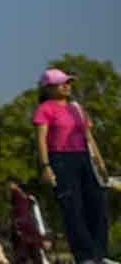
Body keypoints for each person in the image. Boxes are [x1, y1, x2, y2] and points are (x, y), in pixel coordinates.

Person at [32, 68, 113, 264]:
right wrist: (46, 166)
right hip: (61, 160)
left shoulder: (77, 108)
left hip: (85, 158)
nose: (67, 86)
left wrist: (99, 162)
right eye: (62, 83)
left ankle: (99, 255)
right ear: (48, 88)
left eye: (68, 82)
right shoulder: (45, 109)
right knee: (73, 209)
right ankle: (85, 256)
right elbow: (41, 140)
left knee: (97, 206)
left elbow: (89, 137)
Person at [8, 182, 50, 264]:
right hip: (23, 232)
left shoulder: (30, 200)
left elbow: (38, 218)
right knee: (23, 257)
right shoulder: (18, 199)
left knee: (35, 256)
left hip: (29, 231)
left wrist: (44, 236)